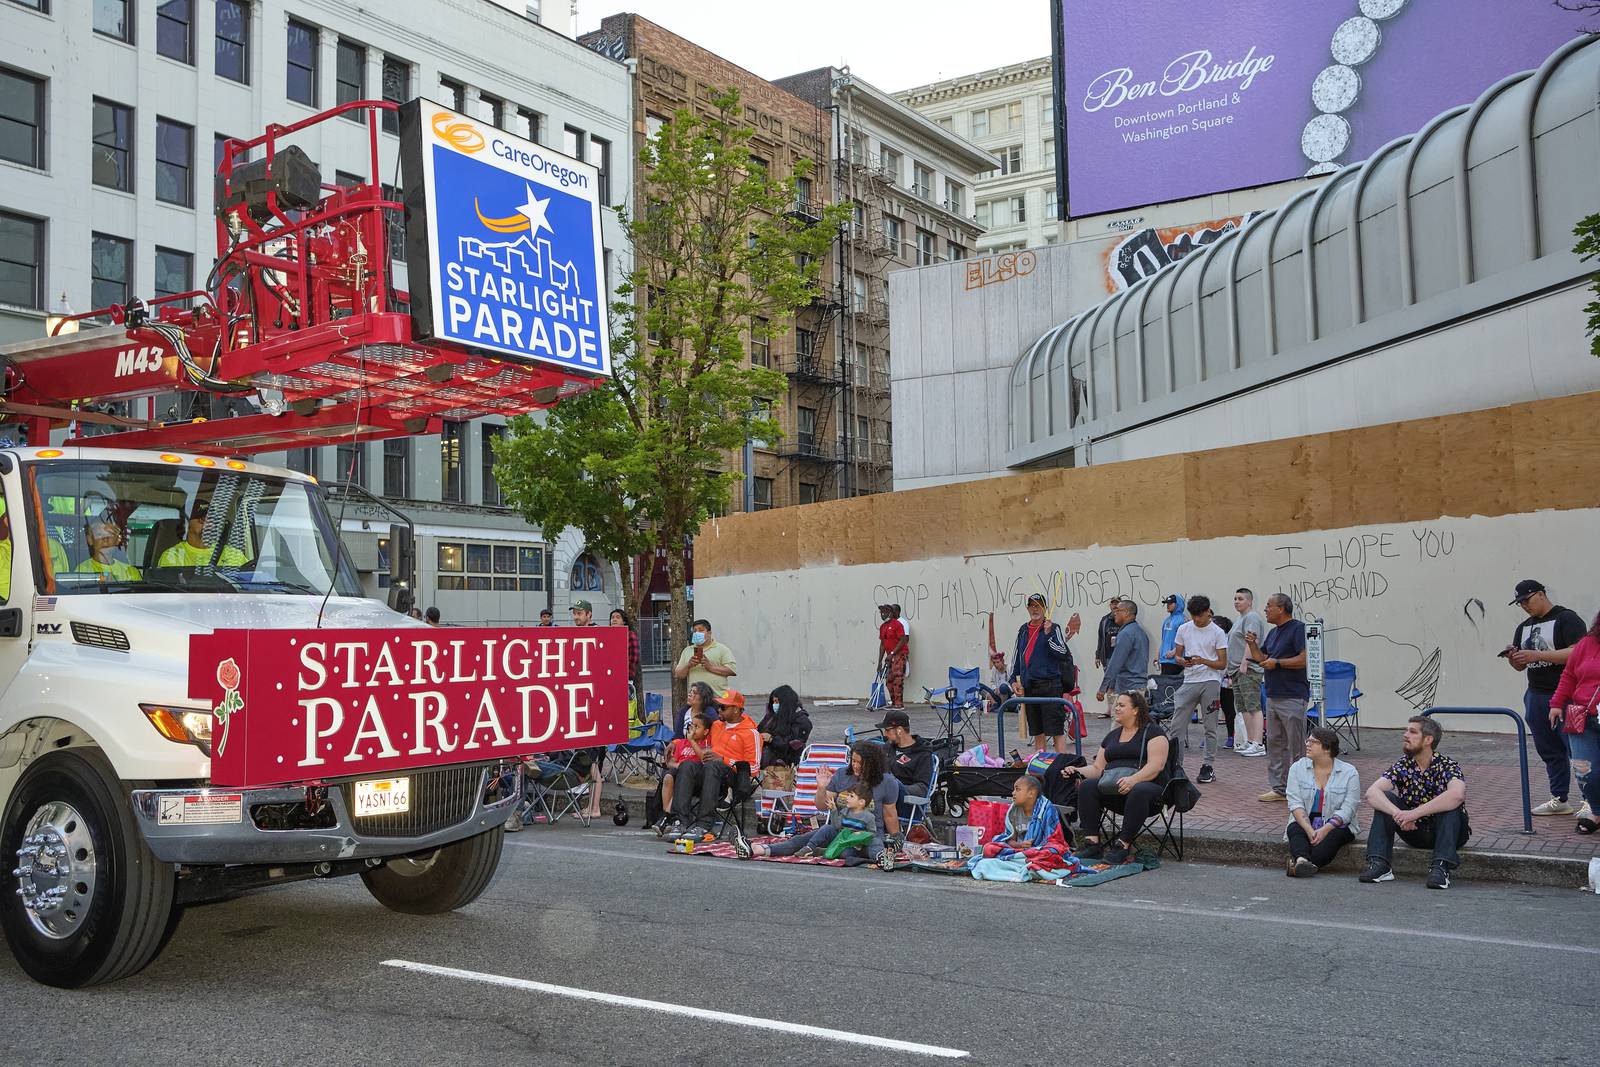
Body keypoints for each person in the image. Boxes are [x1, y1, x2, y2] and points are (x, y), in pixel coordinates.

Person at [1504, 579, 1586, 817]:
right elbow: (1522, 665)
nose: (1524, 606)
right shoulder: (1523, 627)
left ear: (1541, 594)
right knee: (1548, 749)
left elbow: (1577, 653)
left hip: (1569, 696)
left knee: (1579, 749)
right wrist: (1515, 659)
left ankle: (1591, 800)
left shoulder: (1566, 618)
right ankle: (1559, 798)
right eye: (1519, 603)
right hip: (1536, 694)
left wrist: (1536, 654)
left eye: (1527, 600)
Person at [1360, 716, 1469, 890]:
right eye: (1406, 730)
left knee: (1451, 806)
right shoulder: (1404, 765)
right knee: (1384, 799)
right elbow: (1372, 793)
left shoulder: (1447, 765)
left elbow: (1457, 794)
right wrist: (1399, 814)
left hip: (1448, 832)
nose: (1405, 735)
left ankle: (1441, 868)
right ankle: (1380, 865)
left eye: (1412, 732)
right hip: (1412, 830)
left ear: (1428, 740)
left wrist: (1413, 814)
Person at [1063, 690, 1171, 865]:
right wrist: (1077, 770)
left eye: (1121, 705)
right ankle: (1093, 844)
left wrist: (1134, 779)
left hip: (1149, 792)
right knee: (1088, 786)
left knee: (1139, 789)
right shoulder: (1112, 736)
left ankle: (1123, 845)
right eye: (1116, 705)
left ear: (1136, 710)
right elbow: (1098, 768)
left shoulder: (1153, 732)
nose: (1116, 708)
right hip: (1114, 789)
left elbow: (1156, 765)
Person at [669, 689, 759, 839]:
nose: (719, 710)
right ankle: (680, 820)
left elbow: (754, 769)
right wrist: (674, 742)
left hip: (732, 778)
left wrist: (723, 759)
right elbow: (698, 735)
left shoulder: (750, 733)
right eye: (719, 706)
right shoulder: (717, 725)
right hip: (709, 772)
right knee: (687, 766)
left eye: (723, 707)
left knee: (713, 766)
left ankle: (704, 824)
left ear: (736, 710)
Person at [1247, 593, 1308, 803]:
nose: (1265, 610)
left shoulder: (1298, 628)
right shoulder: (1273, 633)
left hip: (1293, 696)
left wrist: (1278, 663)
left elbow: (1304, 659)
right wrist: (1254, 645)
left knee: (1297, 745)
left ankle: (1302, 788)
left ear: (1281, 608)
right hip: (1273, 695)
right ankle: (1279, 788)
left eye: (1268, 606)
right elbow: (1262, 658)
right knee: (1275, 744)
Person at [737, 783, 882, 864]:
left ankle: (881, 858)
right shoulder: (845, 811)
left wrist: (861, 839)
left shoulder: (868, 816)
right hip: (839, 838)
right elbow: (837, 826)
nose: (847, 798)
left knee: (848, 852)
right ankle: (760, 849)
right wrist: (833, 810)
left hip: (852, 845)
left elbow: (872, 834)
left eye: (851, 796)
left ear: (862, 802)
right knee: (823, 829)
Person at [1284, 727, 1361, 877]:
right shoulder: (1297, 768)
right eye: (1308, 740)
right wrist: (1309, 829)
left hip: (1337, 825)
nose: (1307, 744)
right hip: (1306, 822)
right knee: (1294, 829)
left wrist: (1326, 829)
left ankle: (1299, 864)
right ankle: (1302, 862)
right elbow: (1295, 803)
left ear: (1327, 748)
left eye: (1313, 742)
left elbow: (1349, 808)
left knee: (1334, 838)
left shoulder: (1349, 772)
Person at [1549, 609, 1600, 833]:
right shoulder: (1587, 643)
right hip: (1582, 717)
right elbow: (1569, 674)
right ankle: (1597, 811)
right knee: (1585, 770)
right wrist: (1556, 703)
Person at [1010, 592, 1080, 753]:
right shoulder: (1023, 630)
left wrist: (1049, 635)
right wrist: (1013, 679)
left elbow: (1063, 652)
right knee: (1037, 731)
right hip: (1029, 686)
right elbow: (1017, 657)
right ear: (1028, 608)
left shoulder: (1053, 628)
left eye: (1039, 606)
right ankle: (1040, 767)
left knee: (1056, 730)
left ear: (1045, 608)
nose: (1035, 609)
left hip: (1050, 685)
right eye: (1032, 606)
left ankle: (1060, 767)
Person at [1170, 594, 1227, 785]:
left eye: (1199, 616)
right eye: (1193, 615)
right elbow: (1177, 655)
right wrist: (1183, 661)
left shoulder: (1218, 632)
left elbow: (1221, 663)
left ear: (1207, 612)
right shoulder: (1184, 629)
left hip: (1210, 680)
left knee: (1210, 726)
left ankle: (1208, 765)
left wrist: (1202, 660)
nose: (1196, 619)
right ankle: (1176, 765)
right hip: (1189, 680)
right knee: (1177, 726)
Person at [815, 741, 902, 867]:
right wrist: (821, 788)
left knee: (871, 845)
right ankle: (775, 849)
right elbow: (821, 806)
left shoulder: (887, 782)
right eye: (853, 761)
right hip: (843, 833)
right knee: (806, 838)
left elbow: (889, 815)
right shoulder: (842, 775)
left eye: (860, 762)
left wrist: (895, 839)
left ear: (872, 764)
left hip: (870, 835)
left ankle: (881, 857)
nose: (855, 765)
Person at [652, 712, 711, 835]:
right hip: (679, 772)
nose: (692, 728)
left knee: (681, 778)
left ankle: (666, 818)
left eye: (697, 727)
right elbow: (670, 763)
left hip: (694, 779)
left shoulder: (705, 744)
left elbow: (703, 759)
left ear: (705, 731)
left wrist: (692, 741)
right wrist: (679, 766)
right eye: (691, 725)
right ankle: (668, 817)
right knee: (668, 776)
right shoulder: (682, 743)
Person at [1228, 588, 1268, 757]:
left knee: (1253, 706)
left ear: (1250, 601)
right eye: (1235, 598)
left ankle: (1258, 743)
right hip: (1236, 669)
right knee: (1243, 707)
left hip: (1248, 669)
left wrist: (1245, 662)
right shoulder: (1240, 619)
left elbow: (1252, 641)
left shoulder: (1251, 617)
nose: (1237, 601)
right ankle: (1250, 740)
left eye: (1241, 599)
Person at [1097, 598, 1149, 715]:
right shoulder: (1140, 632)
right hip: (1140, 687)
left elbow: (1115, 663)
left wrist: (1103, 688)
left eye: (1117, 610)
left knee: (1118, 728)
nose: (1114, 613)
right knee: (1135, 728)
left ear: (1126, 612)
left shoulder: (1126, 633)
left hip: (1127, 689)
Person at [879, 709, 935, 815]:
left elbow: (922, 788)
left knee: (890, 785)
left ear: (899, 730)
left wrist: (895, 787)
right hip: (881, 797)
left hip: (905, 802)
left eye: (887, 730)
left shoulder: (922, 754)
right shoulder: (886, 748)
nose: (885, 734)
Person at [156, 503, 247, 567]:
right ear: (186, 525)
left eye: (212, 519)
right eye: (202, 520)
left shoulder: (233, 555)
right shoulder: (173, 556)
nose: (210, 524)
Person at [757, 684, 813, 773]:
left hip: (787, 756)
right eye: (773, 702)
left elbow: (793, 743)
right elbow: (759, 729)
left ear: (786, 703)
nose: (774, 705)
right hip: (765, 751)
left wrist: (771, 739)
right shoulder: (772, 716)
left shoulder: (802, 721)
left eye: (777, 702)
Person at [672, 618, 737, 693]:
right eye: (695, 631)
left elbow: (732, 670)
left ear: (709, 633)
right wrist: (688, 665)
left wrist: (710, 667)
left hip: (718, 698)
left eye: (701, 630)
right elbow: (679, 675)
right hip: (696, 700)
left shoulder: (721, 649)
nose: (697, 633)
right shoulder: (687, 651)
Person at [75, 517, 141, 582]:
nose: (105, 540)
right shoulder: (82, 570)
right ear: (90, 540)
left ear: (118, 539)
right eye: (99, 535)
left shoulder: (131, 572)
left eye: (110, 534)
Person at [876, 604, 909, 710]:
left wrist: (892, 653)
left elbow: (903, 640)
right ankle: (894, 702)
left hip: (899, 655)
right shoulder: (883, 627)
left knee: (897, 679)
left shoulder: (897, 624)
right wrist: (879, 661)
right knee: (889, 680)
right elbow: (882, 644)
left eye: (884, 612)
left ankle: (899, 704)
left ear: (890, 613)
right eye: (881, 612)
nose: (882, 614)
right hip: (889, 658)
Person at [610, 608, 644, 705]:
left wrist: (622, 670)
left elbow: (633, 657)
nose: (614, 620)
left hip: (625, 678)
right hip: (611, 678)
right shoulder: (608, 636)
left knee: (624, 707)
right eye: (612, 618)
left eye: (617, 617)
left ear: (624, 621)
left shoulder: (630, 635)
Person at [1214, 616, 1236, 750]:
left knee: (1228, 709)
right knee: (1211, 709)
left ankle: (1231, 736)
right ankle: (1209, 737)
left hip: (1226, 680)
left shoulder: (1228, 640)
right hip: (1214, 678)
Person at [1156, 593, 1186, 676]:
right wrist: (1158, 655)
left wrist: (1174, 652)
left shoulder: (1182, 620)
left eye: (1170, 603)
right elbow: (1163, 639)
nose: (1168, 605)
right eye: (1167, 603)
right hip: (1164, 660)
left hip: (1175, 661)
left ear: (1177, 604)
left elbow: (1186, 640)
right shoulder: (1167, 620)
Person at [1094, 597, 1123, 671]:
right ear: (1110, 606)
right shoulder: (1104, 620)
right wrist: (1098, 656)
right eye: (1113, 603)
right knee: (1109, 681)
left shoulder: (1124, 619)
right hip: (1107, 658)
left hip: (1121, 657)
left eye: (1117, 603)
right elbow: (1100, 638)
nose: (1115, 605)